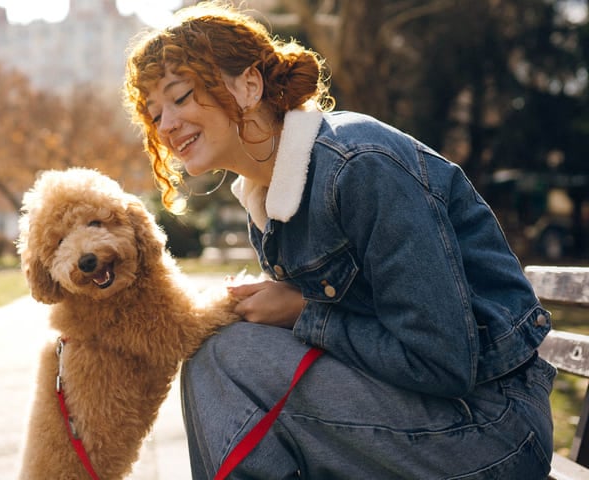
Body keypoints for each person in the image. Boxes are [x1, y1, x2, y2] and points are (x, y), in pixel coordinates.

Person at [122, 2, 556, 479]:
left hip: (491, 430)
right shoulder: (270, 202)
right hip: (414, 416)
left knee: (229, 356)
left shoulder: (359, 165)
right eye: (154, 112)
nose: (164, 125)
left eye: (180, 96)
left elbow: (443, 361)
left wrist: (302, 313)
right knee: (220, 351)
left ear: (249, 85)